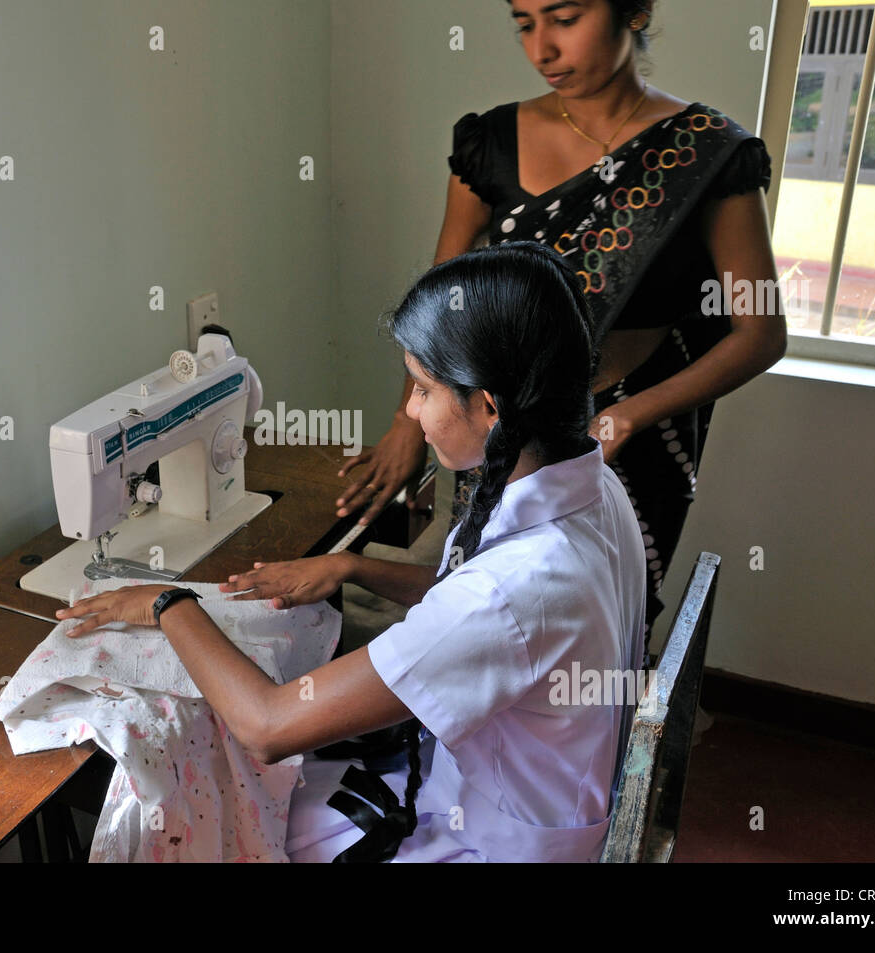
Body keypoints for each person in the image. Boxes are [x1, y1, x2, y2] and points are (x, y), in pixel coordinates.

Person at [56, 242, 647, 862]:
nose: (412, 412)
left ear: (491, 406)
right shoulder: (592, 483)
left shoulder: (509, 594)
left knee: (228, 818)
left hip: (486, 841)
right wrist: (351, 566)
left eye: (422, 389)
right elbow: (496, 614)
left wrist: (167, 603)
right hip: (529, 797)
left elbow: (269, 728)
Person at [335, 0, 787, 657]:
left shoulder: (709, 155)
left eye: (565, 17)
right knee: (487, 608)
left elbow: (761, 332)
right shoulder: (489, 145)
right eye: (524, 22)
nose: (540, 48)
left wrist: (629, 416)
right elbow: (443, 313)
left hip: (638, 440)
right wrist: (406, 427)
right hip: (507, 429)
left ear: (633, 10)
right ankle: (474, 757)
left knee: (600, 623)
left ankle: (595, 754)